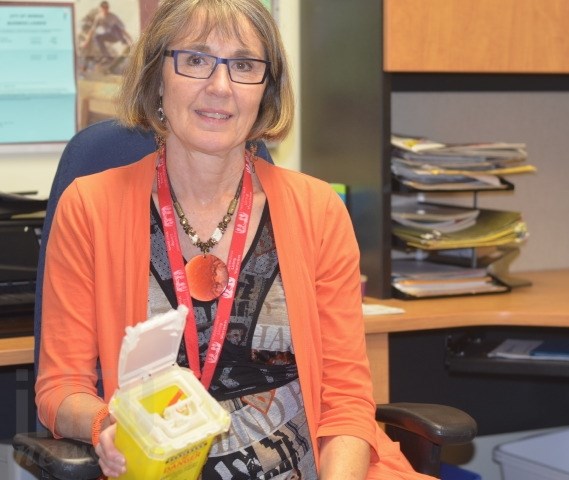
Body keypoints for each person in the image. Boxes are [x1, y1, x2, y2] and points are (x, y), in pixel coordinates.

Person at [35, 0, 433, 478]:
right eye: (197, 59)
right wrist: (107, 422)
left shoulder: (319, 209)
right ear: (156, 77)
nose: (220, 87)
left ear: (265, 91)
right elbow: (60, 389)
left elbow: (345, 399)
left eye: (244, 65)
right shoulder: (91, 207)